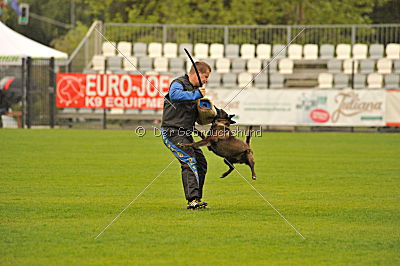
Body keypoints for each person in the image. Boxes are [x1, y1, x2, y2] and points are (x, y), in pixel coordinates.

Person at [161, 61, 211, 210]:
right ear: (196, 73)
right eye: (205, 76)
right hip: (172, 132)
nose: (206, 80)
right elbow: (175, 95)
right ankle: (192, 200)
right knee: (189, 160)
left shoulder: (195, 90)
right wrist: (197, 94)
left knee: (201, 163)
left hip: (186, 134)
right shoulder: (178, 83)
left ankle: (197, 198)